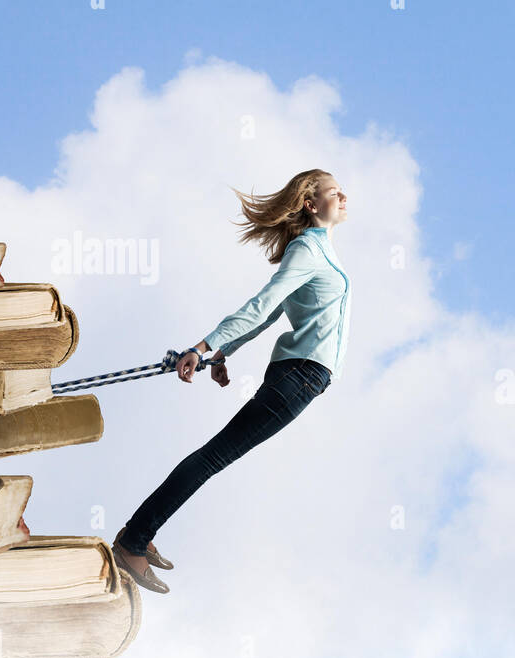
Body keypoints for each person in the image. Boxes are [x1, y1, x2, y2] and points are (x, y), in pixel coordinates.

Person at [112, 169, 353, 593]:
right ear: (312, 205)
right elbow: (261, 305)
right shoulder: (307, 251)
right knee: (213, 458)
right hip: (297, 377)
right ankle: (132, 540)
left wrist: (223, 354)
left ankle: (140, 533)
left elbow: (271, 315)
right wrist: (203, 347)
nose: (344, 195)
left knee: (214, 457)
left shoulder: (320, 252)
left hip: (301, 377)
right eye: (335, 192)